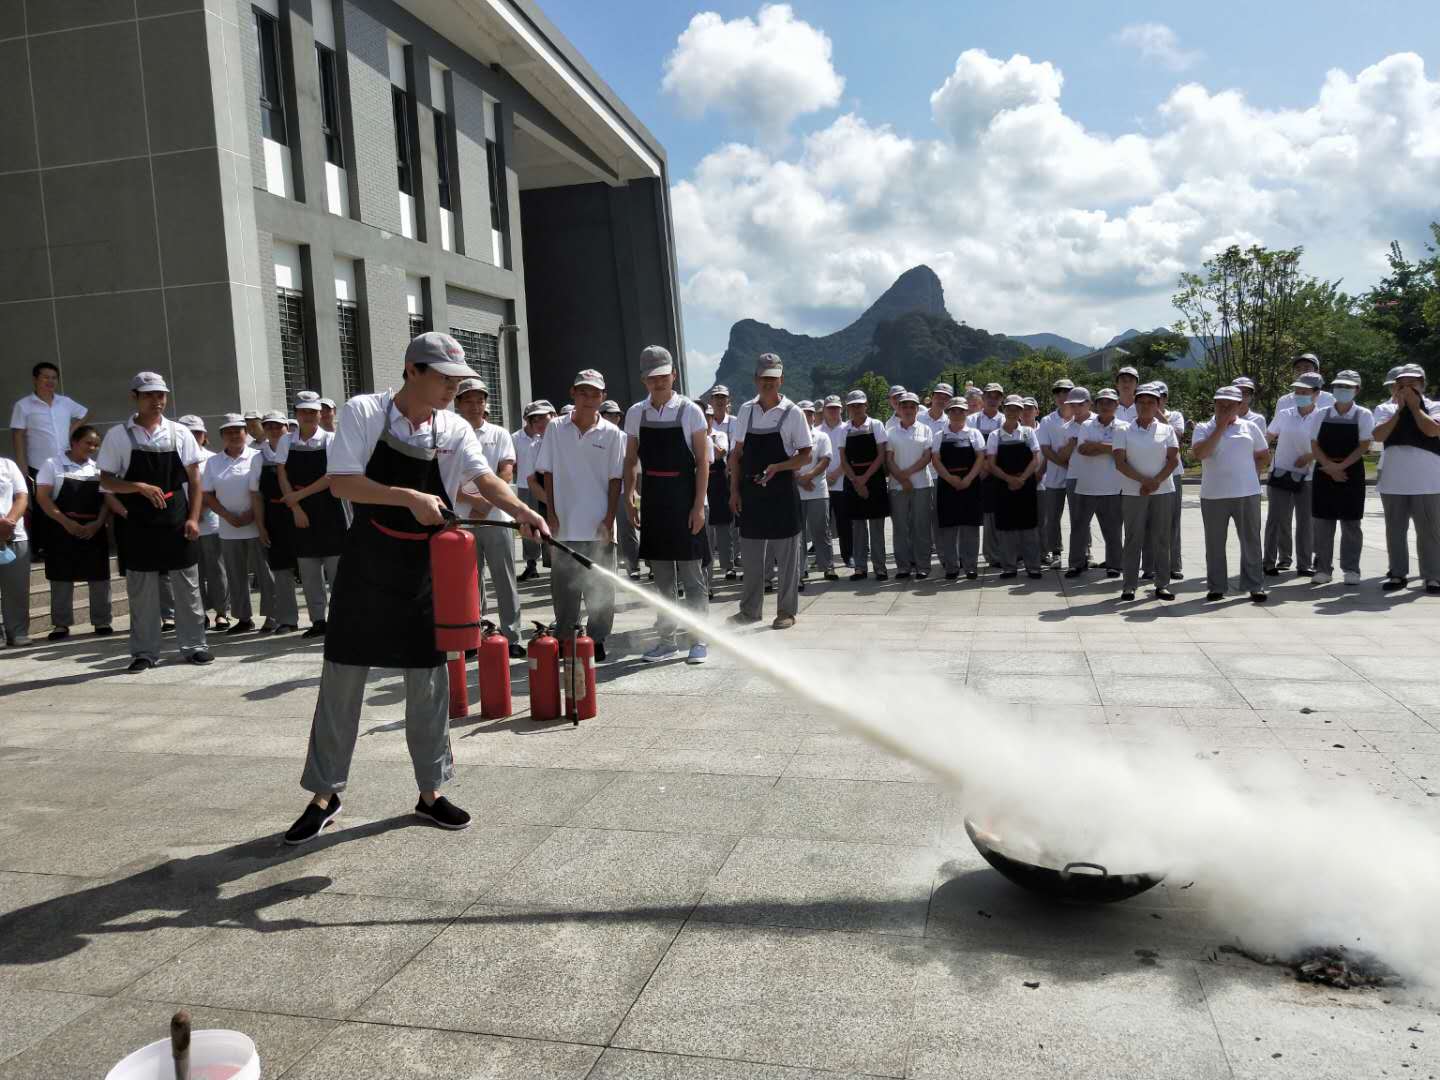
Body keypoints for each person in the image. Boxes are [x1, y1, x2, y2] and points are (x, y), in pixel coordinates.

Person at [284, 332, 549, 845]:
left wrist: (520, 510)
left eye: (458, 380)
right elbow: (342, 482)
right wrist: (408, 495)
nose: (454, 387)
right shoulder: (365, 412)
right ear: (412, 371)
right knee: (343, 677)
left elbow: (481, 477)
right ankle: (325, 794)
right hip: (366, 560)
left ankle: (431, 792)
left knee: (430, 683)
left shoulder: (452, 425)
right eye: (444, 378)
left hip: (423, 566)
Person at [98, 372, 212, 670]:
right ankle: (144, 652)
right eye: (149, 394)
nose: (156, 400)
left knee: (188, 587)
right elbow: (107, 480)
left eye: (161, 394)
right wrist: (138, 487)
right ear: (134, 397)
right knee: (142, 591)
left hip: (176, 517)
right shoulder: (118, 435)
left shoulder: (179, 433)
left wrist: (194, 518)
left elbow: (196, 480)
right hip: (137, 522)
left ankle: (194, 646)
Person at [624, 345, 710, 663]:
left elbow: (702, 462)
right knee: (662, 579)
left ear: (673, 375)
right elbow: (631, 459)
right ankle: (667, 640)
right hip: (655, 504)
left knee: (692, 576)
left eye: (663, 376)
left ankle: (699, 639)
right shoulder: (637, 413)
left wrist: (699, 507)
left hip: (686, 501)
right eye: (652, 378)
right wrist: (630, 497)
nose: (658, 383)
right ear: (644, 380)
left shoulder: (690, 411)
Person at [534, 369, 625, 662]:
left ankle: (597, 640)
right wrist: (552, 513)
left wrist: (608, 519)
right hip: (564, 525)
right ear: (573, 393)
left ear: (603, 397)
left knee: (601, 588)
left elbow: (615, 480)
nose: (589, 399)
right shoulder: (555, 429)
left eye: (595, 394)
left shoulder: (613, 435)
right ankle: (565, 638)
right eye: (583, 392)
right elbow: (547, 472)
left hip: (599, 525)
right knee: (564, 590)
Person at [728, 354, 812, 629]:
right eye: (763, 378)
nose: (768, 383)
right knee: (751, 558)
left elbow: (806, 455)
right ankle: (750, 611)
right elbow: (736, 455)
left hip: (782, 494)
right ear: (756, 379)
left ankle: (786, 611)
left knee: (787, 558)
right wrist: (734, 491)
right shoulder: (745, 411)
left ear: (781, 380)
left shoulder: (793, 413)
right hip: (751, 494)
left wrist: (779, 466)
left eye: (773, 378)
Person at [451, 379, 523, 654]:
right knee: (469, 581)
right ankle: (473, 634)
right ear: (458, 404)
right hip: (462, 518)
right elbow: (445, 477)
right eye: (467, 400)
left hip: (497, 518)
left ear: (486, 403)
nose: (474, 406)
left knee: (504, 578)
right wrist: (473, 501)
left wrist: (487, 501)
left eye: (479, 400)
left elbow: (506, 472)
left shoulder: (499, 433)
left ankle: (512, 637)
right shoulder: (449, 435)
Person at [276, 392, 349, 638]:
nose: (308, 416)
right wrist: (295, 508)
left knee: (337, 570)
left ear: (320, 413)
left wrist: (298, 496)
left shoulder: (331, 439)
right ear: (296, 414)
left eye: (312, 411)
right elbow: (281, 474)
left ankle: (341, 619)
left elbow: (332, 477)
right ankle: (318, 621)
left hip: (329, 511)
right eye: (303, 411)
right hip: (300, 514)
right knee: (308, 571)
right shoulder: (286, 441)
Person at [34, 425, 113, 639]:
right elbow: (43, 497)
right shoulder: (52, 464)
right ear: (74, 442)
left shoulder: (98, 469)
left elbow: (107, 500)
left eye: (96, 444)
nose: (93, 447)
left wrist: (97, 524)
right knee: (61, 576)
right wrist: (66, 522)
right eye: (88, 442)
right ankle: (61, 625)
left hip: (93, 530)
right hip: (60, 529)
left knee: (99, 578)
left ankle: (102, 621)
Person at [1193, 386, 1270, 602]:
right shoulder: (1203, 427)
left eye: (1230, 404)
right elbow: (1201, 453)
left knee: (1251, 541)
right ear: (1215, 404)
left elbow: (1263, 455)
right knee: (1215, 542)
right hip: (1213, 494)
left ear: (1239, 405)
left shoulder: (1250, 427)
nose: (1225, 407)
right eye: (1221, 403)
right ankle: (1217, 586)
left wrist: (1251, 472)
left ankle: (1255, 584)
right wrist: (1220, 427)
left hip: (1247, 493)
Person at [202, 415, 276, 635]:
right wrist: (226, 515)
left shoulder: (258, 456)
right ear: (222, 436)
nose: (234, 435)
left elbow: (265, 490)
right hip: (228, 527)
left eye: (238, 431)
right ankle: (244, 618)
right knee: (235, 575)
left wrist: (252, 514)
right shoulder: (213, 462)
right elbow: (208, 494)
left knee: (266, 573)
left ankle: (272, 616)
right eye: (229, 432)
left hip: (257, 524)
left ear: (246, 433)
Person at [10, 361, 88, 562]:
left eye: (54, 378)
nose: (50, 381)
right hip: (38, 464)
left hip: (63, 462)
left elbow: (85, 413)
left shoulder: (65, 402)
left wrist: (71, 431)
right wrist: (21, 463)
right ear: (36, 379)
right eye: (46, 377)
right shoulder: (24, 405)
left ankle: (63, 543)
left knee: (64, 503)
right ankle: (41, 547)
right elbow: (17, 435)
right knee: (40, 507)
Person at [1372, 364, 1440, 593]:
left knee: (1429, 531)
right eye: (1402, 385)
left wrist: (1415, 407)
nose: (1407, 389)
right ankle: (1397, 573)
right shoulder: (1385, 408)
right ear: (1395, 387)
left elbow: (1432, 431)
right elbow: (1379, 435)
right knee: (1395, 530)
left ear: (1422, 385)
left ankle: (1432, 576)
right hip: (1394, 480)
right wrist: (1400, 411)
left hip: (1428, 481)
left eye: (1413, 384)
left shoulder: (1435, 406)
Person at [1112, 384, 1179, 601]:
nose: (1146, 405)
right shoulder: (1123, 430)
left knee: (1161, 538)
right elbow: (1120, 463)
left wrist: (1155, 482)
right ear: (1135, 404)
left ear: (1158, 405)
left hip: (1162, 491)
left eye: (1151, 402)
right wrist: (1143, 481)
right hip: (1133, 491)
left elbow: (1173, 460)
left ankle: (1162, 584)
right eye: (1141, 401)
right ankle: (1129, 585)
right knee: (1133, 538)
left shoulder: (1166, 429)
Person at [1309, 370, 1373, 586]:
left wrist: (1340, 467)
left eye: (1348, 387)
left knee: (1351, 523)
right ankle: (1323, 568)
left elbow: (1364, 445)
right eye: (1339, 387)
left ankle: (1351, 569)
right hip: (1324, 471)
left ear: (1357, 390)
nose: (1342, 391)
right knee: (1323, 523)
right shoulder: (1321, 414)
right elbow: (1314, 445)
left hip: (1351, 472)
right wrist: (1329, 466)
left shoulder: (1364, 415)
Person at [1263, 372, 1322, 576]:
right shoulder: (1285, 414)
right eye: (1297, 391)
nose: (1299, 395)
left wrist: (1309, 455)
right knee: (1276, 520)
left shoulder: (1322, 416)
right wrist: (1260, 455)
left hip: (1308, 476)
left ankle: (1304, 564)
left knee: (1305, 521)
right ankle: (1269, 561)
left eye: (1304, 392)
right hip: (1280, 474)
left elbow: (1329, 445)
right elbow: (1269, 436)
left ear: (1316, 394)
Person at [180, 415, 229, 631]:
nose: (194, 437)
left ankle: (221, 612)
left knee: (216, 571)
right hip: (183, 524)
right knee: (192, 574)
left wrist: (198, 510)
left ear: (205, 436)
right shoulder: (173, 459)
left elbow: (216, 491)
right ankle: (199, 614)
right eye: (189, 433)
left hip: (210, 524)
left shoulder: (213, 459)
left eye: (197, 433)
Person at [1066, 388, 1123, 579]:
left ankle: (1115, 564)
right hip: (1086, 485)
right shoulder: (1086, 426)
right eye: (1102, 402)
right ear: (1096, 405)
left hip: (1113, 487)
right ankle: (1076, 563)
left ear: (1117, 405)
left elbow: (1122, 451)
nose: (1106, 405)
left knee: (1113, 529)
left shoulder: (1124, 426)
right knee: (1079, 528)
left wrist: (1097, 446)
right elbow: (1082, 449)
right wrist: (1109, 447)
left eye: (1110, 402)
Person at [986, 395, 1043, 578]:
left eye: (1017, 409)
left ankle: (1033, 566)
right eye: (1009, 408)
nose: (1013, 412)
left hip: (1026, 485)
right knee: (1006, 527)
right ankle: (1009, 567)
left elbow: (1035, 459)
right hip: (1003, 486)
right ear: (1004, 410)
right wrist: (1009, 479)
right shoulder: (995, 435)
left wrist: (1022, 479)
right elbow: (991, 464)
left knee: (1029, 527)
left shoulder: (1028, 433)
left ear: (1021, 412)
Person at [838, 389, 890, 580]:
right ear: (848, 408)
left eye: (859, 405)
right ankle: (860, 567)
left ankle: (880, 567)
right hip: (852, 478)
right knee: (857, 527)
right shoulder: (844, 429)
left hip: (874, 478)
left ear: (866, 405)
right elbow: (843, 459)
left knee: (877, 526)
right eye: (852, 406)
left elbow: (881, 455)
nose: (856, 409)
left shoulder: (876, 425)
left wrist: (865, 478)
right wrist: (855, 480)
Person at [255, 412, 300, 633]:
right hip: (274, 516)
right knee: (282, 570)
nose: (274, 430)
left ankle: (320, 619)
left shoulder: (298, 451)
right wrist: (261, 525)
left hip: (299, 512)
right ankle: (288, 619)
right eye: (269, 426)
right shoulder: (258, 457)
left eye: (278, 426)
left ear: (287, 428)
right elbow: (256, 495)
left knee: (310, 568)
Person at [933, 398, 986, 580]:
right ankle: (952, 567)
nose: (957, 414)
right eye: (953, 411)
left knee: (970, 527)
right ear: (948, 413)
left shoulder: (974, 433)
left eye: (961, 411)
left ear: (966, 413)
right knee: (949, 527)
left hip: (970, 485)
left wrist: (969, 479)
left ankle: (971, 566)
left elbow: (980, 458)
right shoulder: (939, 435)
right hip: (947, 485)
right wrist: (950, 478)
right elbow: (936, 460)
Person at [886, 391, 934, 579]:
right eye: (904, 406)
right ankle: (903, 566)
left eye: (911, 406)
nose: (907, 409)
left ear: (917, 408)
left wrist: (906, 475)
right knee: (900, 528)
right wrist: (901, 478)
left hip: (921, 485)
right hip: (897, 487)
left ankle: (922, 565)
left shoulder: (925, 429)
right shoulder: (890, 431)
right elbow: (888, 459)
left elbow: (927, 456)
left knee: (921, 526)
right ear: (898, 408)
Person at [795, 400, 837, 588]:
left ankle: (827, 566)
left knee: (821, 530)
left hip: (818, 490)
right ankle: (800, 569)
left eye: (810, 413)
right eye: (803, 413)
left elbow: (825, 460)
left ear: (814, 416)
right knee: (798, 534)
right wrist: (799, 479)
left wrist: (808, 477)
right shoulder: (789, 437)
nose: (807, 417)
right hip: (796, 491)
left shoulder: (822, 436)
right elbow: (787, 461)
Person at [512, 401, 553, 580]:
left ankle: (552, 562)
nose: (540, 423)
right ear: (527, 420)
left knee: (550, 524)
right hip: (525, 486)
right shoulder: (516, 438)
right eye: (534, 419)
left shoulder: (549, 439)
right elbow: (511, 462)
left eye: (544, 418)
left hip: (549, 487)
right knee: (529, 525)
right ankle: (531, 563)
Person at [601, 399, 640, 577]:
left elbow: (633, 467)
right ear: (601, 416)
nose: (615, 417)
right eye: (610, 414)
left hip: (623, 491)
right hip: (601, 493)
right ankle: (611, 569)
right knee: (606, 531)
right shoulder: (596, 437)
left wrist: (633, 492)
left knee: (627, 530)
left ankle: (634, 566)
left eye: (617, 415)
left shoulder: (626, 438)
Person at [1037, 379, 1074, 567]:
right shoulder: (1047, 420)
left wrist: (1071, 466)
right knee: (1052, 517)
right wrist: (1063, 463)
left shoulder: (1083, 418)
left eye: (1066, 392)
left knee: (1080, 516)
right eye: (1058, 393)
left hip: (1079, 477)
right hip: (1054, 477)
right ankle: (1056, 552)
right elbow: (1045, 448)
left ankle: (1084, 551)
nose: (1062, 397)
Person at [968, 383, 1005, 566]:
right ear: (983, 397)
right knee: (971, 515)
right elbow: (968, 447)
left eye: (996, 396)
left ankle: (993, 555)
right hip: (975, 472)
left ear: (1001, 399)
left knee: (994, 515)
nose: (992, 399)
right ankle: (968, 556)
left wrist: (989, 467)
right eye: (989, 395)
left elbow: (1006, 449)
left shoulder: (1006, 420)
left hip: (997, 472)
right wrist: (980, 468)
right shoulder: (972, 420)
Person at [0, 454, 32, 646]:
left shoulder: (7, 465)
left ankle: (18, 631)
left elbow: (22, 497)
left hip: (14, 536)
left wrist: (9, 522)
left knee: (17, 588)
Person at [818, 395, 852, 568]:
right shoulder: (816, 431)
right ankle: (824, 559)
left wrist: (837, 473)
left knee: (845, 522)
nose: (833, 411)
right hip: (821, 485)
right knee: (822, 525)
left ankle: (848, 556)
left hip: (843, 482)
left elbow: (851, 457)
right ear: (823, 410)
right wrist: (825, 475)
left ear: (841, 409)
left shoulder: (848, 429)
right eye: (829, 408)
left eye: (836, 408)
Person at [705, 397, 736, 586]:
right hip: (702, 481)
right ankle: (707, 566)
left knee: (724, 527)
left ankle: (728, 565)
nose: (707, 420)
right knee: (706, 529)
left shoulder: (719, 434)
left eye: (709, 417)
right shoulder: (694, 435)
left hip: (718, 481)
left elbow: (720, 453)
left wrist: (707, 437)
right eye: (704, 417)